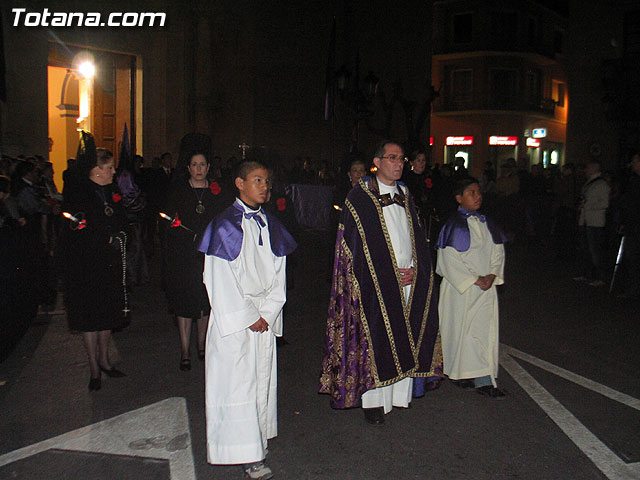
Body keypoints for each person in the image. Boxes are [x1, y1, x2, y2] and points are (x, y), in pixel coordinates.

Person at [319, 141, 440, 426]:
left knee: (404, 330)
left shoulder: (405, 194)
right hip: (372, 284)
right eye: (392, 158)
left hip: (407, 278)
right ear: (378, 161)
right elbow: (353, 248)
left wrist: (416, 270)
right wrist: (386, 274)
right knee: (376, 337)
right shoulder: (359, 197)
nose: (398, 163)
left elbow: (416, 239)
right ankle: (373, 401)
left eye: (402, 159)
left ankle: (399, 394)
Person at [198, 161, 296, 479]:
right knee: (237, 386)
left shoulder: (272, 225)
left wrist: (268, 312)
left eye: (267, 181)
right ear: (240, 183)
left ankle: (257, 445)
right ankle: (244, 453)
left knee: (260, 382)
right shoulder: (224, 226)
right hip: (236, 320)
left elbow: (279, 275)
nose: (265, 186)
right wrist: (249, 315)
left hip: (263, 318)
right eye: (257, 180)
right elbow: (217, 278)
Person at [61, 133, 128, 392]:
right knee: (90, 317)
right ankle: (93, 368)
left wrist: (121, 232)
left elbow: (121, 217)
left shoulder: (111, 191)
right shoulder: (79, 193)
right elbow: (76, 226)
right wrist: (104, 237)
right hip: (87, 265)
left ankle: (105, 360)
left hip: (109, 263)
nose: (113, 171)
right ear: (97, 169)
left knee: (106, 315)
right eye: (109, 167)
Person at [436, 177, 507, 398]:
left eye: (478, 192)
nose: (478, 196)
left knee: (482, 333)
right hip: (462, 290)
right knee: (461, 333)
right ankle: (459, 373)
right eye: (472, 193)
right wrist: (475, 279)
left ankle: (484, 379)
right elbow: (447, 259)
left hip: (485, 290)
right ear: (459, 198)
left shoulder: (487, 223)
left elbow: (498, 251)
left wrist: (492, 275)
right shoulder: (453, 225)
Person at [164, 151, 223, 371]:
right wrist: (187, 235)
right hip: (184, 254)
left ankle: (202, 345)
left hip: (208, 255)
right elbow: (169, 221)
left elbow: (222, 220)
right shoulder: (179, 190)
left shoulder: (216, 192)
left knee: (205, 302)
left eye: (202, 164)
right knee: (185, 302)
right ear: (188, 168)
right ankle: (185, 350)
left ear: (208, 167)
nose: (198, 169)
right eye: (194, 164)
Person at [574, 159, 610, 286]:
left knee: (596, 251)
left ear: (594, 169)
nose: (585, 170)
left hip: (596, 222)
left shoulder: (601, 184)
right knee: (586, 250)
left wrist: (587, 206)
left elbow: (605, 203)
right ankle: (587, 274)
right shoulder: (589, 183)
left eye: (588, 168)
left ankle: (601, 277)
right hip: (586, 221)